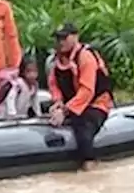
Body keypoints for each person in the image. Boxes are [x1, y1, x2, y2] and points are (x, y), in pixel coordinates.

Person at [48, 22, 114, 172]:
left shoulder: (85, 57)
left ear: (75, 37)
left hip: (96, 104)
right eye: (58, 38)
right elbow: (54, 84)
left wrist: (65, 111)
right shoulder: (57, 60)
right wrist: (57, 102)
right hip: (72, 104)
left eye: (64, 38)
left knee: (83, 126)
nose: (61, 42)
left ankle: (89, 162)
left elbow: (87, 91)